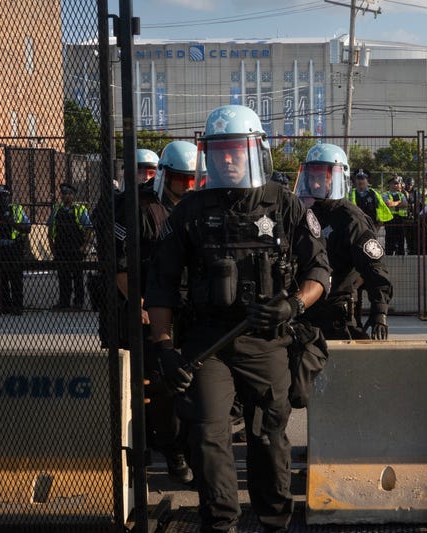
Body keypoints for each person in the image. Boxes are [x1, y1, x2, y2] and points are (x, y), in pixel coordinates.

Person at [145, 104, 330, 533]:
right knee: (208, 436)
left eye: (236, 149)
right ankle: (221, 523)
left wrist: (294, 305)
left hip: (267, 339)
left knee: (268, 438)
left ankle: (274, 522)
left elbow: (318, 270)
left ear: (254, 150)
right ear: (207, 155)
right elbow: (162, 284)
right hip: (208, 342)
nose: (227, 158)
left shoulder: (284, 203)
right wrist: (163, 346)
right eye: (219, 150)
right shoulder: (189, 211)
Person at [113, 148, 194, 485]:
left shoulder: (199, 206)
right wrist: (143, 306)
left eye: (193, 179)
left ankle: (187, 449)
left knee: (191, 387)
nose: (186, 186)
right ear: (164, 174)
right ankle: (168, 451)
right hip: (148, 310)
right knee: (157, 386)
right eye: (179, 179)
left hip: (188, 309)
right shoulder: (137, 208)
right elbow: (121, 267)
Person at [293, 143, 392, 340]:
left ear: (339, 179)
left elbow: (374, 266)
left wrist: (379, 310)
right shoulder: (303, 214)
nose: (316, 184)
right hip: (305, 310)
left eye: (323, 178)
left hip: (338, 313)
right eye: (312, 177)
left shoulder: (351, 218)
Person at [0, 184, 31, 315]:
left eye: (4, 195)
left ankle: (17, 306)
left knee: (15, 278)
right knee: (0, 279)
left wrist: (11, 222)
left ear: (9, 196)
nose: (1, 198)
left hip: (12, 248)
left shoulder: (16, 210)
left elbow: (27, 228)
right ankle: (5, 305)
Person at [47, 182, 93, 311]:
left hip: (75, 248)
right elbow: (50, 229)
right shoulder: (57, 209)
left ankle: (78, 302)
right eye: (63, 193)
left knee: (78, 276)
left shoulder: (79, 209)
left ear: (73, 196)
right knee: (63, 276)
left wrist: (85, 245)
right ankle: (64, 301)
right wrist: (52, 247)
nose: (65, 196)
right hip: (61, 248)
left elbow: (89, 228)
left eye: (68, 194)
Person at [154, 140, 200, 209]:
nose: (188, 185)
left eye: (193, 178)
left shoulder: (200, 208)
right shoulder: (147, 208)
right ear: (165, 176)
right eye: (181, 178)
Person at [382, 175, 408, 256]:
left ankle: (401, 260)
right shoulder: (385, 194)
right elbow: (388, 204)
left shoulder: (401, 194)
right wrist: (399, 203)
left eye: (397, 184)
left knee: (401, 242)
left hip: (400, 220)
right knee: (390, 242)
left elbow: (405, 204)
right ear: (389, 184)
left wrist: (395, 203)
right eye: (393, 183)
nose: (395, 185)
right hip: (390, 220)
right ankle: (389, 259)